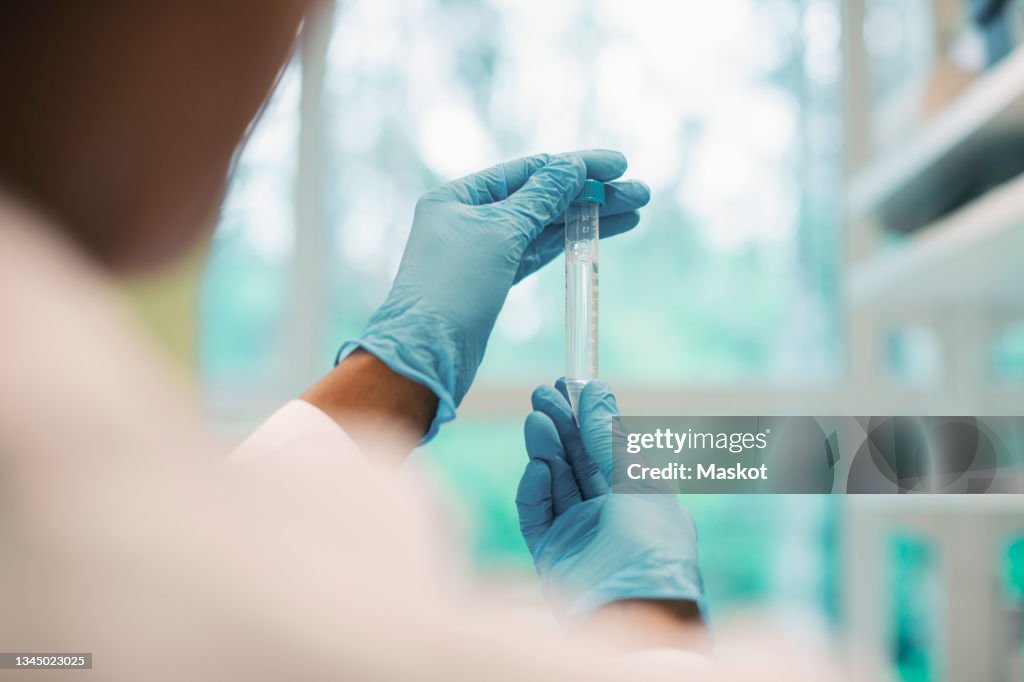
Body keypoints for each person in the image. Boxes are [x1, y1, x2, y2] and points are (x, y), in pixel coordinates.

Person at [0, 4, 843, 680]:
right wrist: (651, 618)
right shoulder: (56, 496)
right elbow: (195, 613)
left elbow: (173, 570)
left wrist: (392, 375)